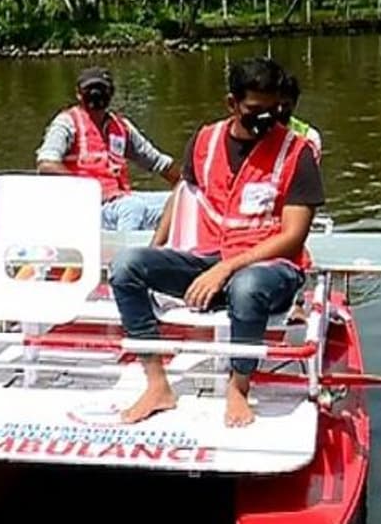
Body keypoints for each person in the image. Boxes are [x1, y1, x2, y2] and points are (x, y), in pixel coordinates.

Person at [109, 57, 326, 427]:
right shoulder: (205, 141)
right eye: (255, 110)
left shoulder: (297, 152)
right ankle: (157, 384)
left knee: (247, 286)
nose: (266, 119)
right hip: (211, 258)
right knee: (126, 266)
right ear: (232, 104)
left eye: (274, 110)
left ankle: (238, 386)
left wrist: (227, 269)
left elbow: (293, 237)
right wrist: (157, 247)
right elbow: (182, 193)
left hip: (271, 269)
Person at [36, 67, 180, 233]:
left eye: (101, 89)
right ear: (79, 94)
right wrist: (89, 190)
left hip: (118, 199)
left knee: (179, 202)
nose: (96, 94)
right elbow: (46, 165)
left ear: (111, 93)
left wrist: (186, 185)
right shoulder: (67, 123)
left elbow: (157, 161)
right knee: (132, 207)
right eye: (89, 89)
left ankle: (164, 243)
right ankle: (125, 248)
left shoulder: (121, 127)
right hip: (85, 206)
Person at [278, 73, 323, 158]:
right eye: (276, 105)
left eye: (285, 105)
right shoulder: (257, 132)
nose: (280, 110)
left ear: (294, 104)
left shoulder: (309, 135)